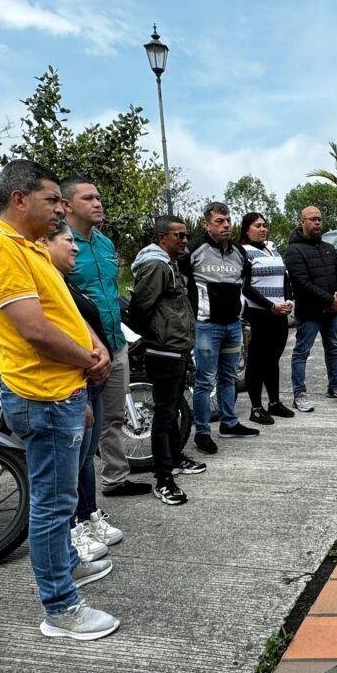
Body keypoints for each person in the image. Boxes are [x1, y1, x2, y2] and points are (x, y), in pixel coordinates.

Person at [0, 159, 118, 642]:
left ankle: (68, 565)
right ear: (19, 199)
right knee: (54, 505)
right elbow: (34, 330)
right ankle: (60, 606)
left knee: (65, 496)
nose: (60, 209)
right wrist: (90, 359)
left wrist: (91, 354)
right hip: (43, 395)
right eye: (52, 199)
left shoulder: (31, 248)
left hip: (64, 391)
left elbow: (62, 315)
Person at [60, 175, 151, 502]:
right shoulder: (57, 243)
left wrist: (124, 335)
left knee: (111, 418)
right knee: (79, 426)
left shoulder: (105, 243)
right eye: (88, 198)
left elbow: (110, 294)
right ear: (67, 205)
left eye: (98, 197)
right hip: (80, 350)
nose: (97, 203)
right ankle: (76, 501)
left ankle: (115, 478)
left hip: (115, 343)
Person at [43, 223, 118, 564]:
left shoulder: (67, 283)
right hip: (74, 383)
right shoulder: (47, 284)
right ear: (45, 244)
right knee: (69, 463)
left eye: (76, 241)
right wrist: (84, 374)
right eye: (67, 241)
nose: (75, 248)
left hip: (91, 380)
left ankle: (89, 516)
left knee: (86, 456)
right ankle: (73, 530)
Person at [130, 216, 208, 506]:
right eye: (179, 236)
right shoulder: (156, 266)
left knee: (174, 408)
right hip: (163, 351)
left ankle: (174, 459)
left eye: (186, 236)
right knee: (163, 416)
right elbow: (140, 307)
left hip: (176, 349)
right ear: (162, 238)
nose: (184, 240)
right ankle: (163, 478)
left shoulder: (169, 264)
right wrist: (153, 336)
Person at [180, 201, 266, 454]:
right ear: (207, 224)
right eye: (219, 221)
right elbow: (181, 283)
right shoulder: (194, 249)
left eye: (228, 220)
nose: (226, 225)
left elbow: (244, 282)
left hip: (233, 325)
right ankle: (203, 432)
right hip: (206, 326)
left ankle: (229, 423)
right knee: (205, 381)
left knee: (229, 378)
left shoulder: (239, 252)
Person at [286, 205, 337, 411]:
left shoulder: (329, 248)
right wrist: (329, 299)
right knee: (301, 352)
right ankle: (299, 394)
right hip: (310, 314)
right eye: (312, 219)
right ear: (302, 222)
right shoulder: (294, 250)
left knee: (333, 350)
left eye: (319, 219)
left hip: (331, 313)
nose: (317, 223)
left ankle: (335, 387)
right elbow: (301, 282)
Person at [240, 212, 297, 422]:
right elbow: (246, 288)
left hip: (279, 313)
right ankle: (256, 407)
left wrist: (289, 301)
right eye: (257, 226)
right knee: (257, 361)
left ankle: (274, 402)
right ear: (247, 230)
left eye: (264, 225)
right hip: (259, 314)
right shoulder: (244, 252)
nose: (263, 229)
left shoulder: (272, 248)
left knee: (273, 359)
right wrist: (270, 306)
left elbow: (284, 279)